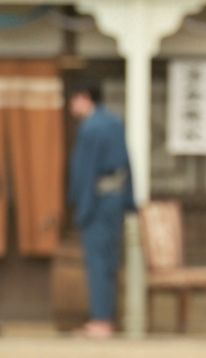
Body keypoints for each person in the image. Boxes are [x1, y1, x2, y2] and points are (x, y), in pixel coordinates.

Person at [67, 83, 135, 339]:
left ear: (84, 98)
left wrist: (81, 208)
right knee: (109, 261)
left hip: (96, 202)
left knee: (97, 261)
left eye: (73, 100)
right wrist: (128, 201)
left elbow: (85, 172)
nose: (72, 106)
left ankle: (101, 320)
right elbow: (127, 164)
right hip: (114, 201)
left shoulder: (91, 128)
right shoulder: (114, 122)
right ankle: (107, 317)